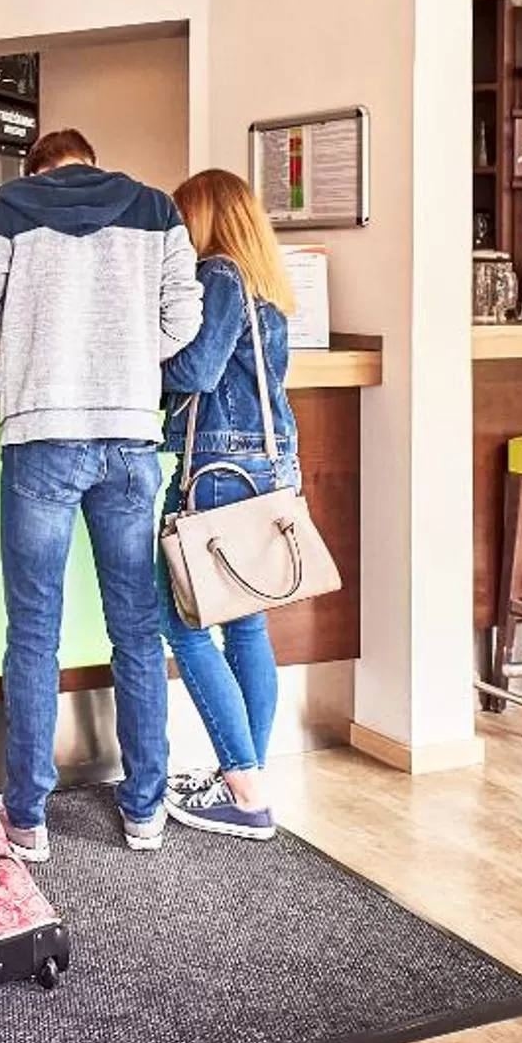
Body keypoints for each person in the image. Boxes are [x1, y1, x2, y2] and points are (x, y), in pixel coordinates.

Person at [0, 127, 201, 860]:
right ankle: (144, 809)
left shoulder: (13, 204)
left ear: (38, 167)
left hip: (41, 435)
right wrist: (124, 353)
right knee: (136, 630)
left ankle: (28, 818)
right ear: (91, 159)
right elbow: (185, 321)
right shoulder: (156, 208)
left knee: (34, 633)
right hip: (132, 436)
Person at [155, 167, 303, 842]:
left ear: (206, 218)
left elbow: (196, 372)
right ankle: (244, 780)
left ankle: (241, 787)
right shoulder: (264, 284)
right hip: (266, 471)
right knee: (245, 627)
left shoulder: (216, 275)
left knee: (181, 620)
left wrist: (135, 357)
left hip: (217, 471)